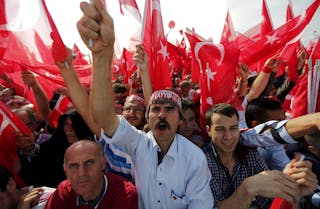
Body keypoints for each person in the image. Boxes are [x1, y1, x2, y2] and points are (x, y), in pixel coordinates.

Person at [59, 1, 213, 208]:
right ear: (148, 118)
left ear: (179, 120)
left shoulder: (195, 158)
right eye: (155, 109)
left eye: (169, 110)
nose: (161, 114)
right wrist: (102, 56)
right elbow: (104, 118)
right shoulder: (139, 144)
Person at [203, 103, 317, 209]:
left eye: (233, 128)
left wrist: (291, 189)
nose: (228, 136)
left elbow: (270, 202)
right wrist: (246, 189)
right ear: (208, 131)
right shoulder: (200, 162)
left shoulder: (249, 154)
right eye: (220, 129)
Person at [45, 140, 138, 209]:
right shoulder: (64, 192)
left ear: (103, 163)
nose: (81, 173)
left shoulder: (125, 193)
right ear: (65, 171)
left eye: (89, 163)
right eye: (74, 166)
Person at [17, 109, 94, 187]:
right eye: (66, 124)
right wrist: (28, 150)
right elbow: (34, 173)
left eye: (74, 124)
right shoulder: (52, 148)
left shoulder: (94, 150)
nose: (69, 129)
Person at [245, 97, 290, 171]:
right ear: (256, 125)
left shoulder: (274, 142)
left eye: (283, 120)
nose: (283, 127)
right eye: (277, 123)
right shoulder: (242, 146)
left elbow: (284, 168)